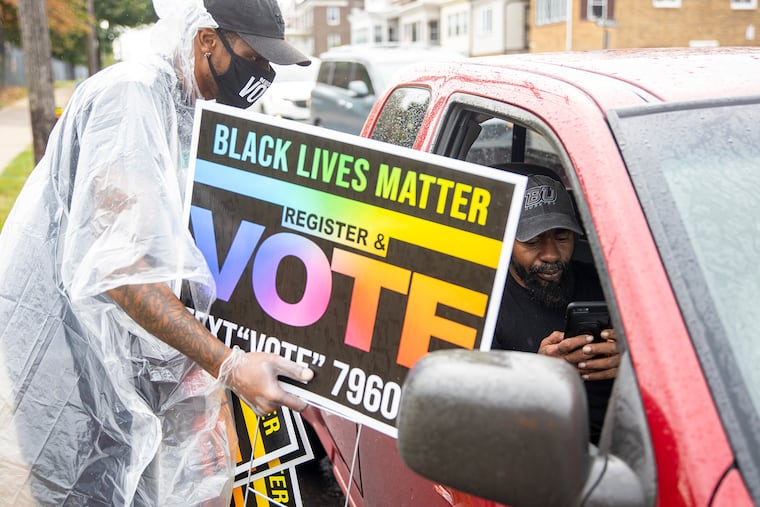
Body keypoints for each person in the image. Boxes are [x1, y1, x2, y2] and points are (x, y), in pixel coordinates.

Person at [0, 0, 315, 504]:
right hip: (69, 349)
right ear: (206, 39)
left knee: (137, 483)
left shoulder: (184, 102)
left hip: (119, 350)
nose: (262, 73)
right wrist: (227, 363)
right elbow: (123, 271)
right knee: (81, 488)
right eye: (255, 57)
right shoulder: (131, 97)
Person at [493, 174, 621, 444]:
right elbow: (478, 412)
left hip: (620, 443)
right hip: (534, 451)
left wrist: (630, 359)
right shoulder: (489, 302)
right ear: (506, 241)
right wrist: (535, 376)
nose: (551, 254)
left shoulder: (608, 283)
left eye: (562, 238)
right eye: (533, 242)